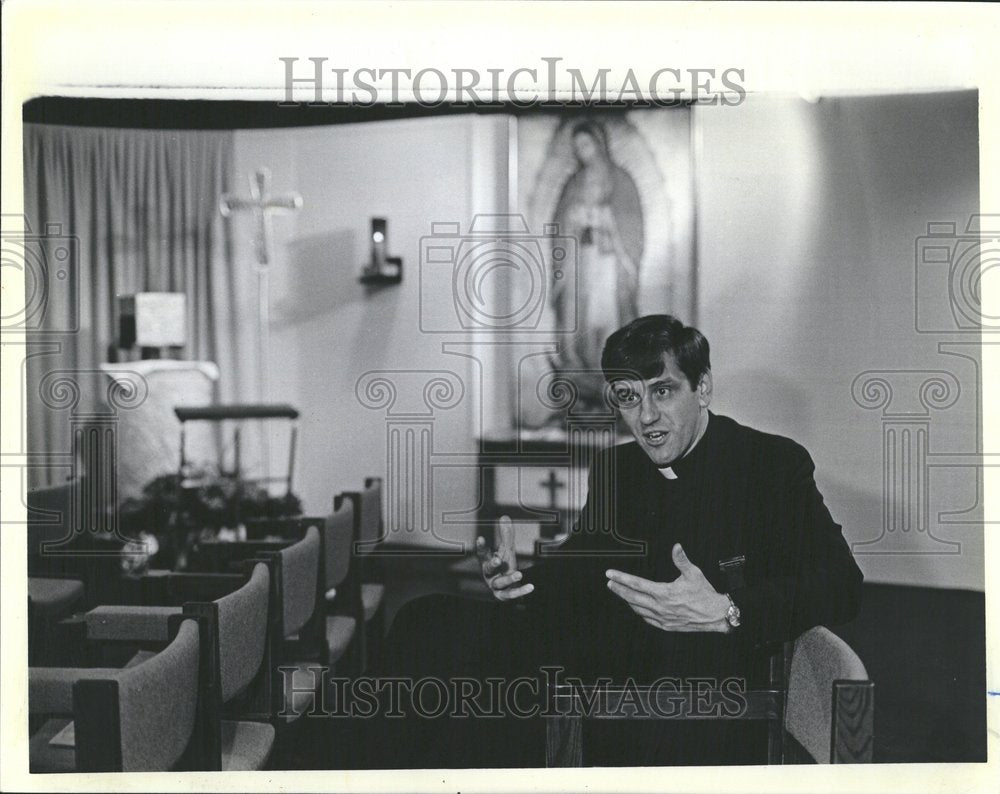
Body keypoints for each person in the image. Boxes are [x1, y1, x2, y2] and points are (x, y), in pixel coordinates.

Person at [369, 314, 863, 767]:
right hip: (608, 651)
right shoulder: (617, 467)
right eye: (629, 397)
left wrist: (728, 609)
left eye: (663, 391)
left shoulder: (771, 463)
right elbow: (585, 562)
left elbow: (843, 584)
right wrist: (519, 580)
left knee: (478, 695)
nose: (646, 417)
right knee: (424, 620)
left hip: (698, 679)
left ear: (703, 387)